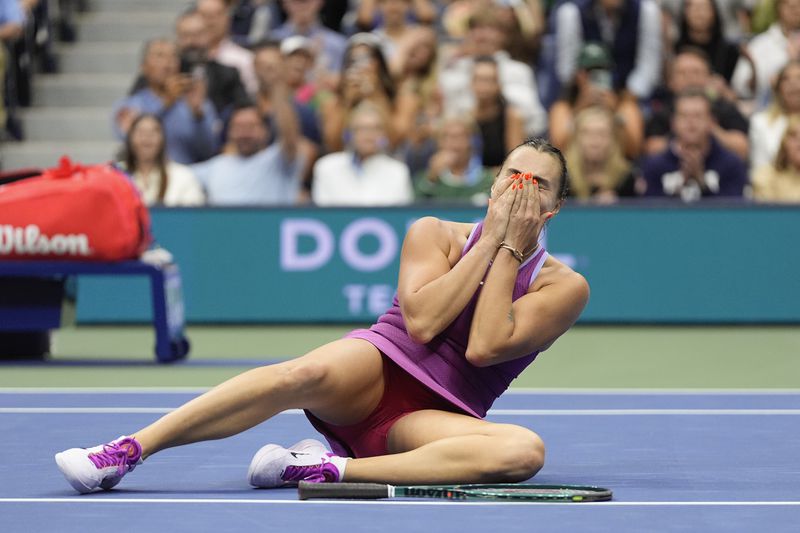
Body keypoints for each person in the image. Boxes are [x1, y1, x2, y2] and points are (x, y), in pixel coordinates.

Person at [55, 137, 590, 493]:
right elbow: (423, 325)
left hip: (429, 425)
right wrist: (490, 240)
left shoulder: (563, 286)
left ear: (555, 207)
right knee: (299, 373)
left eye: (537, 184)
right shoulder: (433, 233)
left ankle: (326, 468)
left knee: (524, 452)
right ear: (495, 181)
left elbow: (483, 347)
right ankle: (125, 451)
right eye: (513, 175)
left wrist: (510, 249)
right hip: (375, 372)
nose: (521, 189)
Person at [111, 38, 220, 165]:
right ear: (143, 67)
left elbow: (209, 151)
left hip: (186, 178)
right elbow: (127, 137)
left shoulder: (195, 102)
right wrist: (165, 102)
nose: (167, 63)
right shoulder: (128, 106)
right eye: (159, 56)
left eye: (173, 57)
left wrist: (198, 115)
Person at [639, 89, 749, 201]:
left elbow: (734, 214)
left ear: (711, 122)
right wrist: (681, 184)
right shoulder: (655, 166)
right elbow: (650, 214)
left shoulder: (731, 165)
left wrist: (702, 183)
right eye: (684, 116)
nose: (691, 122)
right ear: (673, 123)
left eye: (698, 116)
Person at [190, 100, 304, 205]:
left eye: (251, 127)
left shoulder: (279, 161)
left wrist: (278, 86)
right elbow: (178, 173)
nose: (244, 134)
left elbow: (290, 138)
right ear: (229, 132)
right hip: (223, 227)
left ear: (266, 131)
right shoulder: (216, 166)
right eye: (238, 127)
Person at [644, 49, 748, 160]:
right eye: (682, 73)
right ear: (671, 82)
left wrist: (710, 128)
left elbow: (742, 149)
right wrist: (681, 131)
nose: (690, 78)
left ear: (709, 77)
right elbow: (651, 150)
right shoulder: (663, 111)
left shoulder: (725, 108)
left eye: (696, 72)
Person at [548, 43, 644, 159]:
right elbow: (557, 150)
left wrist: (616, 113)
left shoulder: (625, 106)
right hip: (574, 171)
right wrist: (579, 109)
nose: (595, 76)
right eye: (589, 71)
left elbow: (634, 150)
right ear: (578, 75)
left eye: (601, 70)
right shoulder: (563, 108)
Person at [553, 0, 663, 101]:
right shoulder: (571, 13)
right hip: (583, 93)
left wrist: (627, 96)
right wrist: (588, 89)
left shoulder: (646, 10)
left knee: (631, 115)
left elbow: (649, 67)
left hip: (629, 96)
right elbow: (567, 70)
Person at [312, 101, 413, 206]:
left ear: (384, 134)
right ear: (349, 134)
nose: (368, 135)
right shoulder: (326, 167)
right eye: (361, 129)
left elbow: (400, 215)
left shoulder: (398, 171)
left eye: (375, 128)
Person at [119, 114, 205, 207]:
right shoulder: (116, 174)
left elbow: (193, 216)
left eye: (153, 132)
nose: (147, 138)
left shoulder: (183, 176)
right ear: (130, 139)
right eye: (141, 132)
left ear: (163, 139)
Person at [414, 115, 495, 205]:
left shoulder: (487, 180)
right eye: (447, 137)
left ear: (472, 142)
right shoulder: (426, 179)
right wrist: (431, 178)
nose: (454, 143)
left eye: (460, 136)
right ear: (439, 143)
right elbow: (415, 210)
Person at [564, 106, 636, 203]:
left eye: (602, 134)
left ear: (613, 139)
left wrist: (617, 205)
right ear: (575, 138)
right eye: (587, 133)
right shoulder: (563, 178)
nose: (595, 142)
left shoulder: (626, 177)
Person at [471, 55, 526, 169]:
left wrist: (483, 177)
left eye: (489, 80)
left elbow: (516, 164)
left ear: (499, 84)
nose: (483, 86)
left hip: (497, 180)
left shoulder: (511, 116)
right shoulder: (466, 116)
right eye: (479, 79)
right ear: (471, 82)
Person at [198, 0, 258, 95]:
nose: (209, 22)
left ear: (228, 18)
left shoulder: (245, 60)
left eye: (215, 15)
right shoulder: (183, 57)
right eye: (204, 16)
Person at [749, 60, 800, 172]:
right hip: (773, 187)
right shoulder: (760, 122)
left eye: (798, 78)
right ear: (778, 88)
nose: (793, 84)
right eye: (786, 79)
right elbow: (759, 170)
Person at [752, 113, 800, 202]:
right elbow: (767, 213)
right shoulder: (765, 176)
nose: (799, 143)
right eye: (794, 136)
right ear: (784, 143)